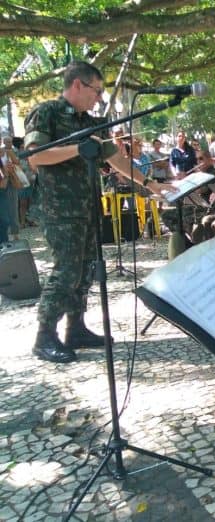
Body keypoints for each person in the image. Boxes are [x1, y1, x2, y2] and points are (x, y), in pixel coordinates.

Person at [24, 60, 171, 364]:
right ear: (78, 85)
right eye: (96, 90)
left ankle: (75, 328)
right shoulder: (47, 112)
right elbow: (36, 156)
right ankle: (44, 336)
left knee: (86, 269)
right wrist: (78, 149)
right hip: (59, 209)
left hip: (88, 207)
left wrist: (150, 184)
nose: (99, 98)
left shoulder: (90, 123)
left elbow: (116, 158)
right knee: (66, 271)